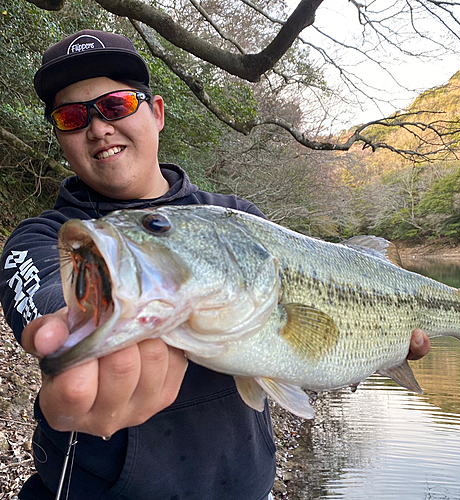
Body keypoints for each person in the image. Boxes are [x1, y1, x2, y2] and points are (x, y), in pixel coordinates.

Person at [0, 30, 430, 500]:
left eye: (117, 105)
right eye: (71, 116)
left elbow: (300, 346)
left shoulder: (240, 219)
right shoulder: (45, 238)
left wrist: (364, 350)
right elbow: (53, 302)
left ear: (157, 114)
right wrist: (78, 331)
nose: (98, 127)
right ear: (60, 137)